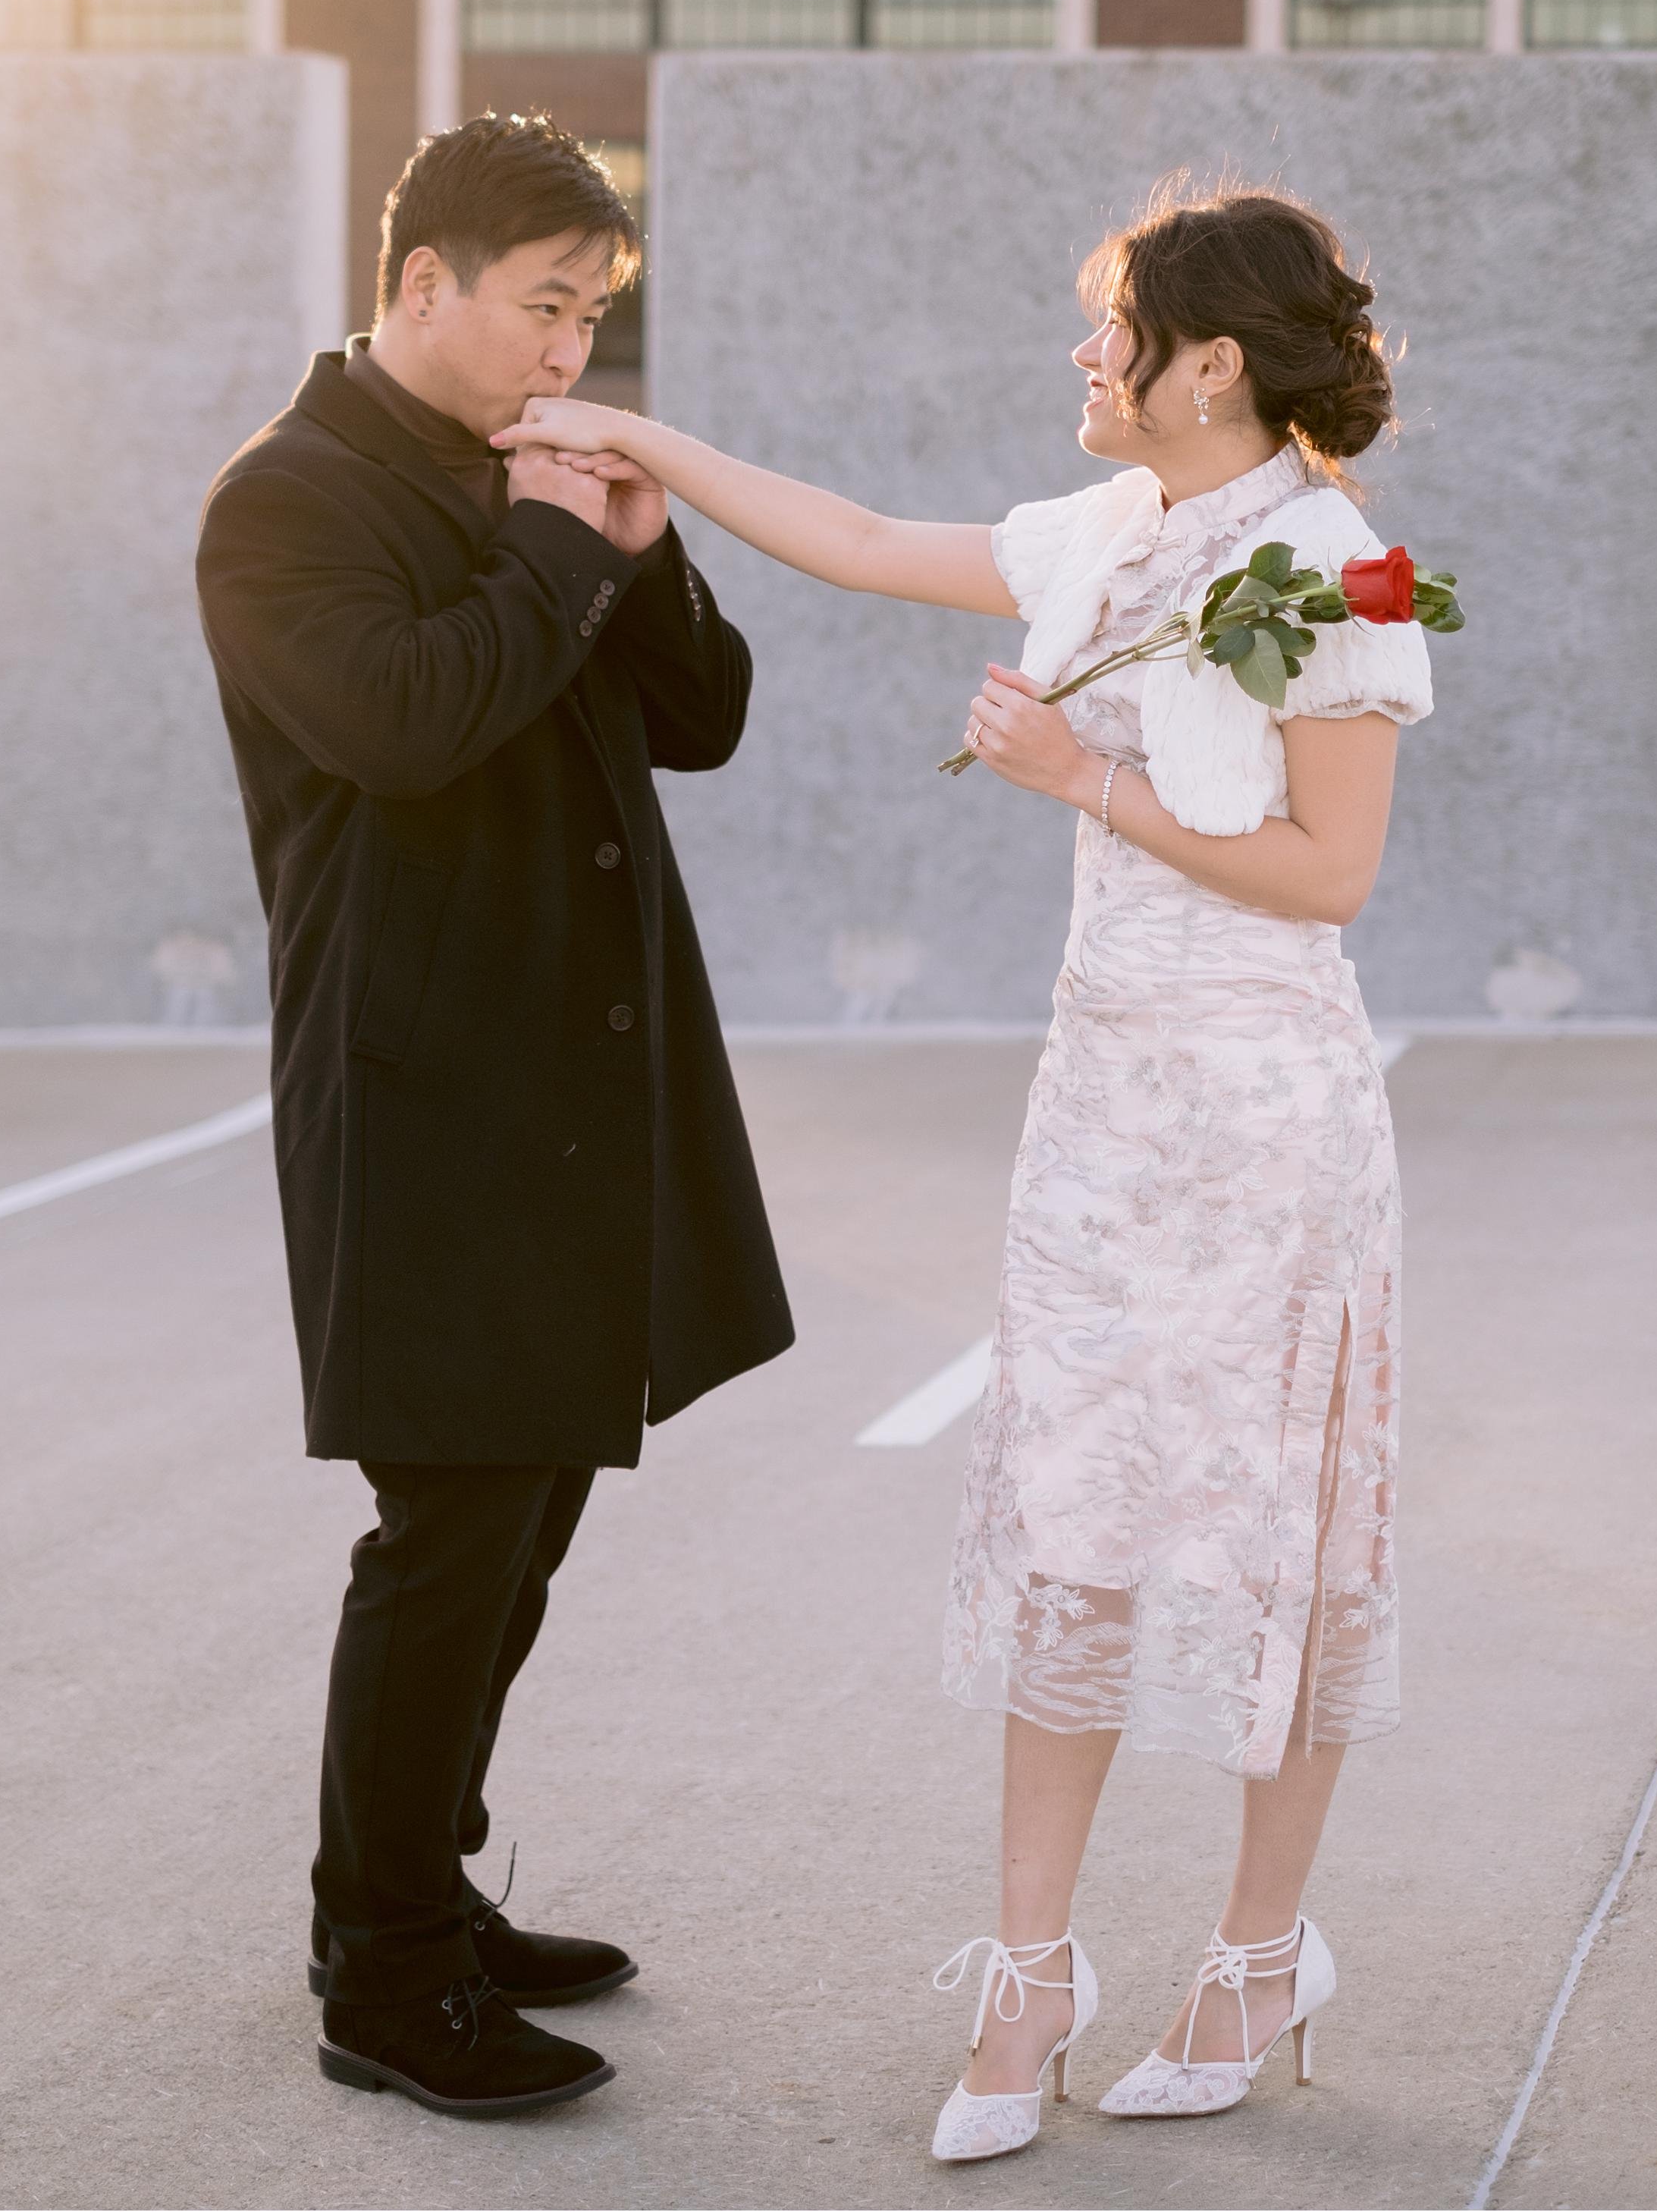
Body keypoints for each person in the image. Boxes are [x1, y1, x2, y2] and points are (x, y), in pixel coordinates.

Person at [493, 180, 1433, 2158]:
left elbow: (1330, 875)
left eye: (1108, 328)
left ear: (1208, 362)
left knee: (1275, 1545)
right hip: (1094, 1111)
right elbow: (847, 537)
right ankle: (1029, 1976)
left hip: (1265, 1120)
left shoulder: (1344, 571)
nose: (1080, 357)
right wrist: (633, 437)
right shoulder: (1100, 532)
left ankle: (1258, 1953)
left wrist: (1080, 779)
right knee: (1075, 1522)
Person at [195, 114, 793, 2122]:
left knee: (526, 1494)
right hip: (425, 1080)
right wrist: (554, 540)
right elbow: (407, 721)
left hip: (571, 1071)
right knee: (447, 1520)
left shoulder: (538, 480)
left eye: (593, 313)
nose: (569, 351)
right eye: (545, 306)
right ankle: (383, 1968)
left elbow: (698, 716)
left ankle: (418, 1882)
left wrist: (630, 551)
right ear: (419, 280)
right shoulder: (285, 500)